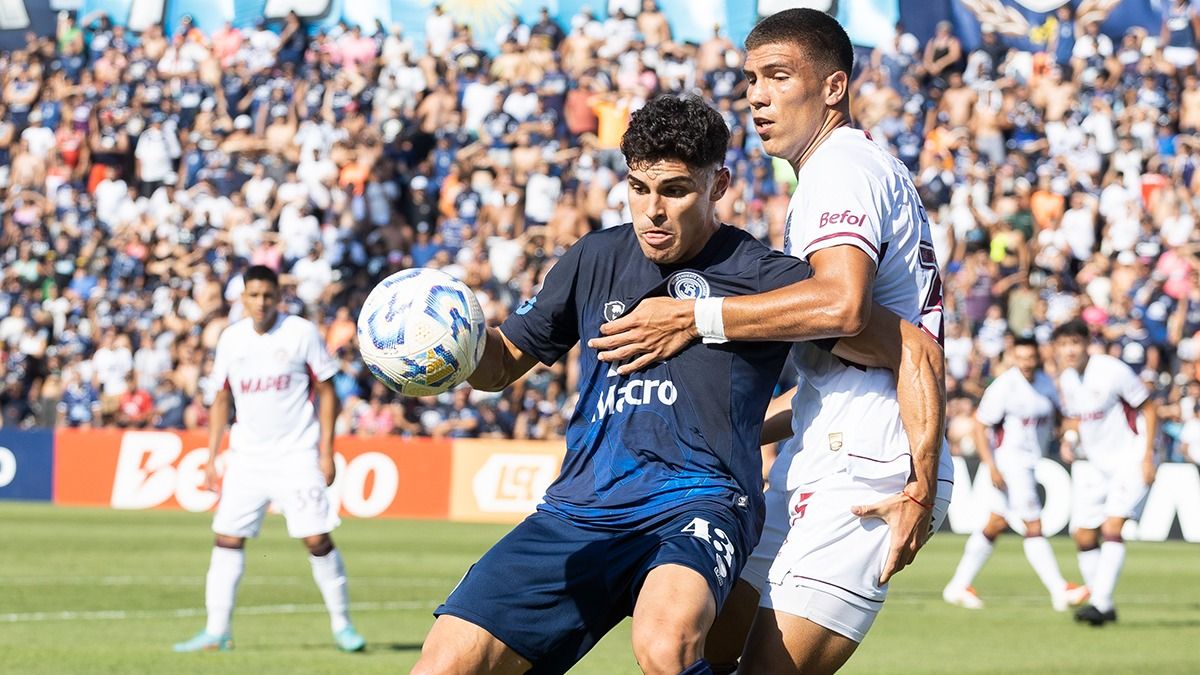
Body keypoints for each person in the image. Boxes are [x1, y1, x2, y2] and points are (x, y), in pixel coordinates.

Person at [411, 95, 941, 675]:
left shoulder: (766, 276)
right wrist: (448, 345)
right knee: (444, 662)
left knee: (666, 646)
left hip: (702, 503)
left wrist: (921, 482)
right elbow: (504, 360)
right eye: (639, 188)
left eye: (675, 190)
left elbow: (910, 347)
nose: (652, 211)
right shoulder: (594, 257)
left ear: (719, 185)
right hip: (580, 510)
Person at [589, 10, 952, 673]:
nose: (757, 94)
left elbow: (841, 305)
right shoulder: (846, 167)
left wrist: (694, 319)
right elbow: (838, 373)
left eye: (778, 76)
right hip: (824, 446)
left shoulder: (839, 167)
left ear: (833, 87)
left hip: (866, 464)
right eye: (750, 78)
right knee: (685, 647)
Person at [173, 265, 365, 653]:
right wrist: (212, 456)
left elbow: (327, 392)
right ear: (243, 298)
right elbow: (221, 398)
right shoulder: (231, 339)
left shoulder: (300, 333)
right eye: (254, 295)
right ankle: (217, 631)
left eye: (268, 295)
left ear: (279, 297)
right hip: (247, 458)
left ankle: (343, 626)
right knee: (227, 538)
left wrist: (327, 451)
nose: (261, 302)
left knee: (316, 539)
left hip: (296, 454)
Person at [942, 337, 1089, 611]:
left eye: (1030, 358)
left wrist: (1069, 434)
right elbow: (979, 426)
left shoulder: (1046, 384)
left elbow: (1060, 417)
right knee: (1033, 526)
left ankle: (958, 585)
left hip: (1031, 462)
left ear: (1037, 358)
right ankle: (1059, 590)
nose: (1026, 363)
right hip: (1011, 464)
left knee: (995, 524)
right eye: (1021, 358)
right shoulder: (1004, 387)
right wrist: (992, 466)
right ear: (1013, 357)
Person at [1052, 320, 1159, 626]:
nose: (1069, 350)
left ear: (1087, 343)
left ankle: (1098, 603)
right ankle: (1105, 604)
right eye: (1063, 345)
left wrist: (1148, 456)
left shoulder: (1112, 370)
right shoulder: (1068, 379)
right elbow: (1075, 419)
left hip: (1132, 457)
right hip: (1097, 464)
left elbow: (1148, 408)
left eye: (1074, 343)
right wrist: (1070, 439)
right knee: (1084, 535)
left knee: (1112, 527)